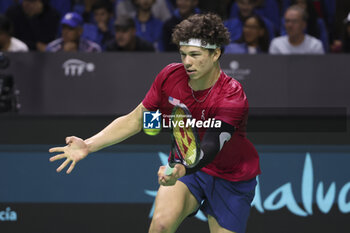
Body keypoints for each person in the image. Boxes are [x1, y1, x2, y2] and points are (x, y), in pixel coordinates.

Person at [49, 13, 260, 233]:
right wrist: (89, 145)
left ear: (216, 53)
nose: (187, 62)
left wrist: (180, 168)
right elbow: (136, 120)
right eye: (183, 54)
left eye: (195, 55)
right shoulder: (170, 77)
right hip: (189, 170)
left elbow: (211, 146)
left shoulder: (231, 96)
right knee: (159, 226)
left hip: (230, 177)